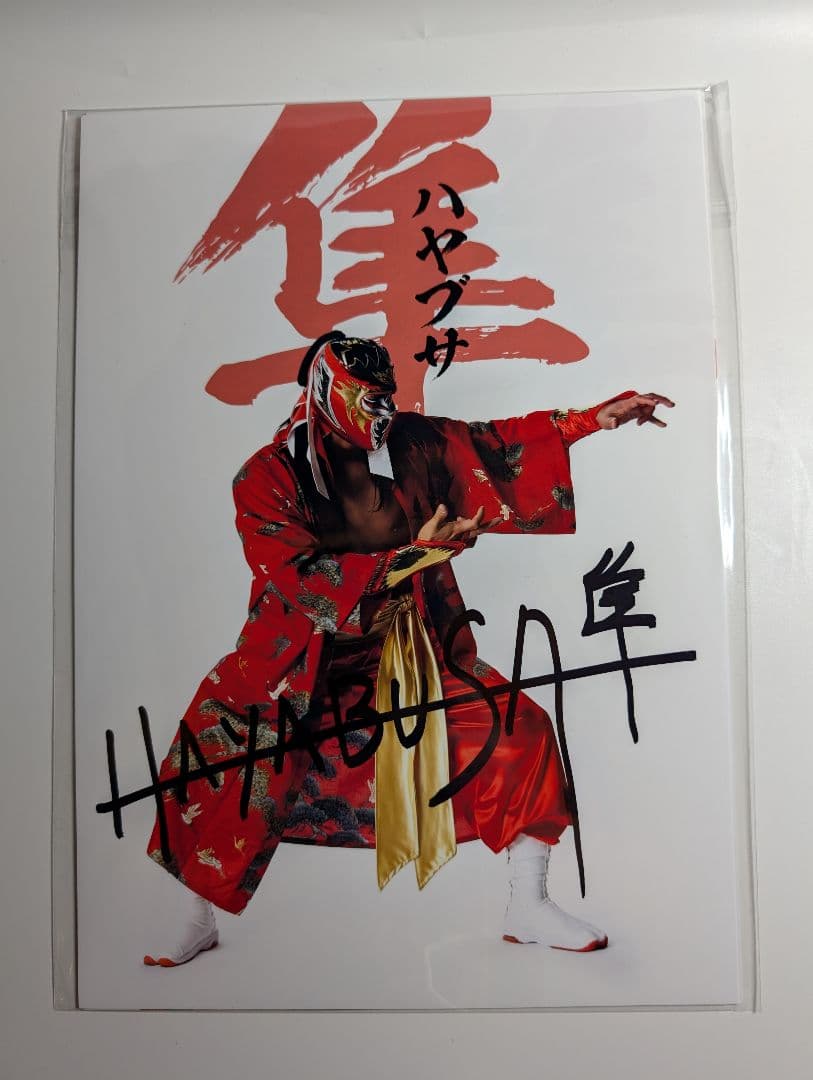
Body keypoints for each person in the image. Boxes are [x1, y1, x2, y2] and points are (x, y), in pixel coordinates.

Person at [144, 331, 673, 967]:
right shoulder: (264, 479)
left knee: (517, 726)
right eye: (370, 400)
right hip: (295, 663)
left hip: (407, 649)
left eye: (389, 398)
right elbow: (305, 580)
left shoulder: (412, 445)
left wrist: (591, 420)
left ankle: (528, 902)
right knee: (221, 748)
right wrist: (418, 554)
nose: (385, 413)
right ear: (326, 393)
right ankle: (194, 914)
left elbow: (493, 443)